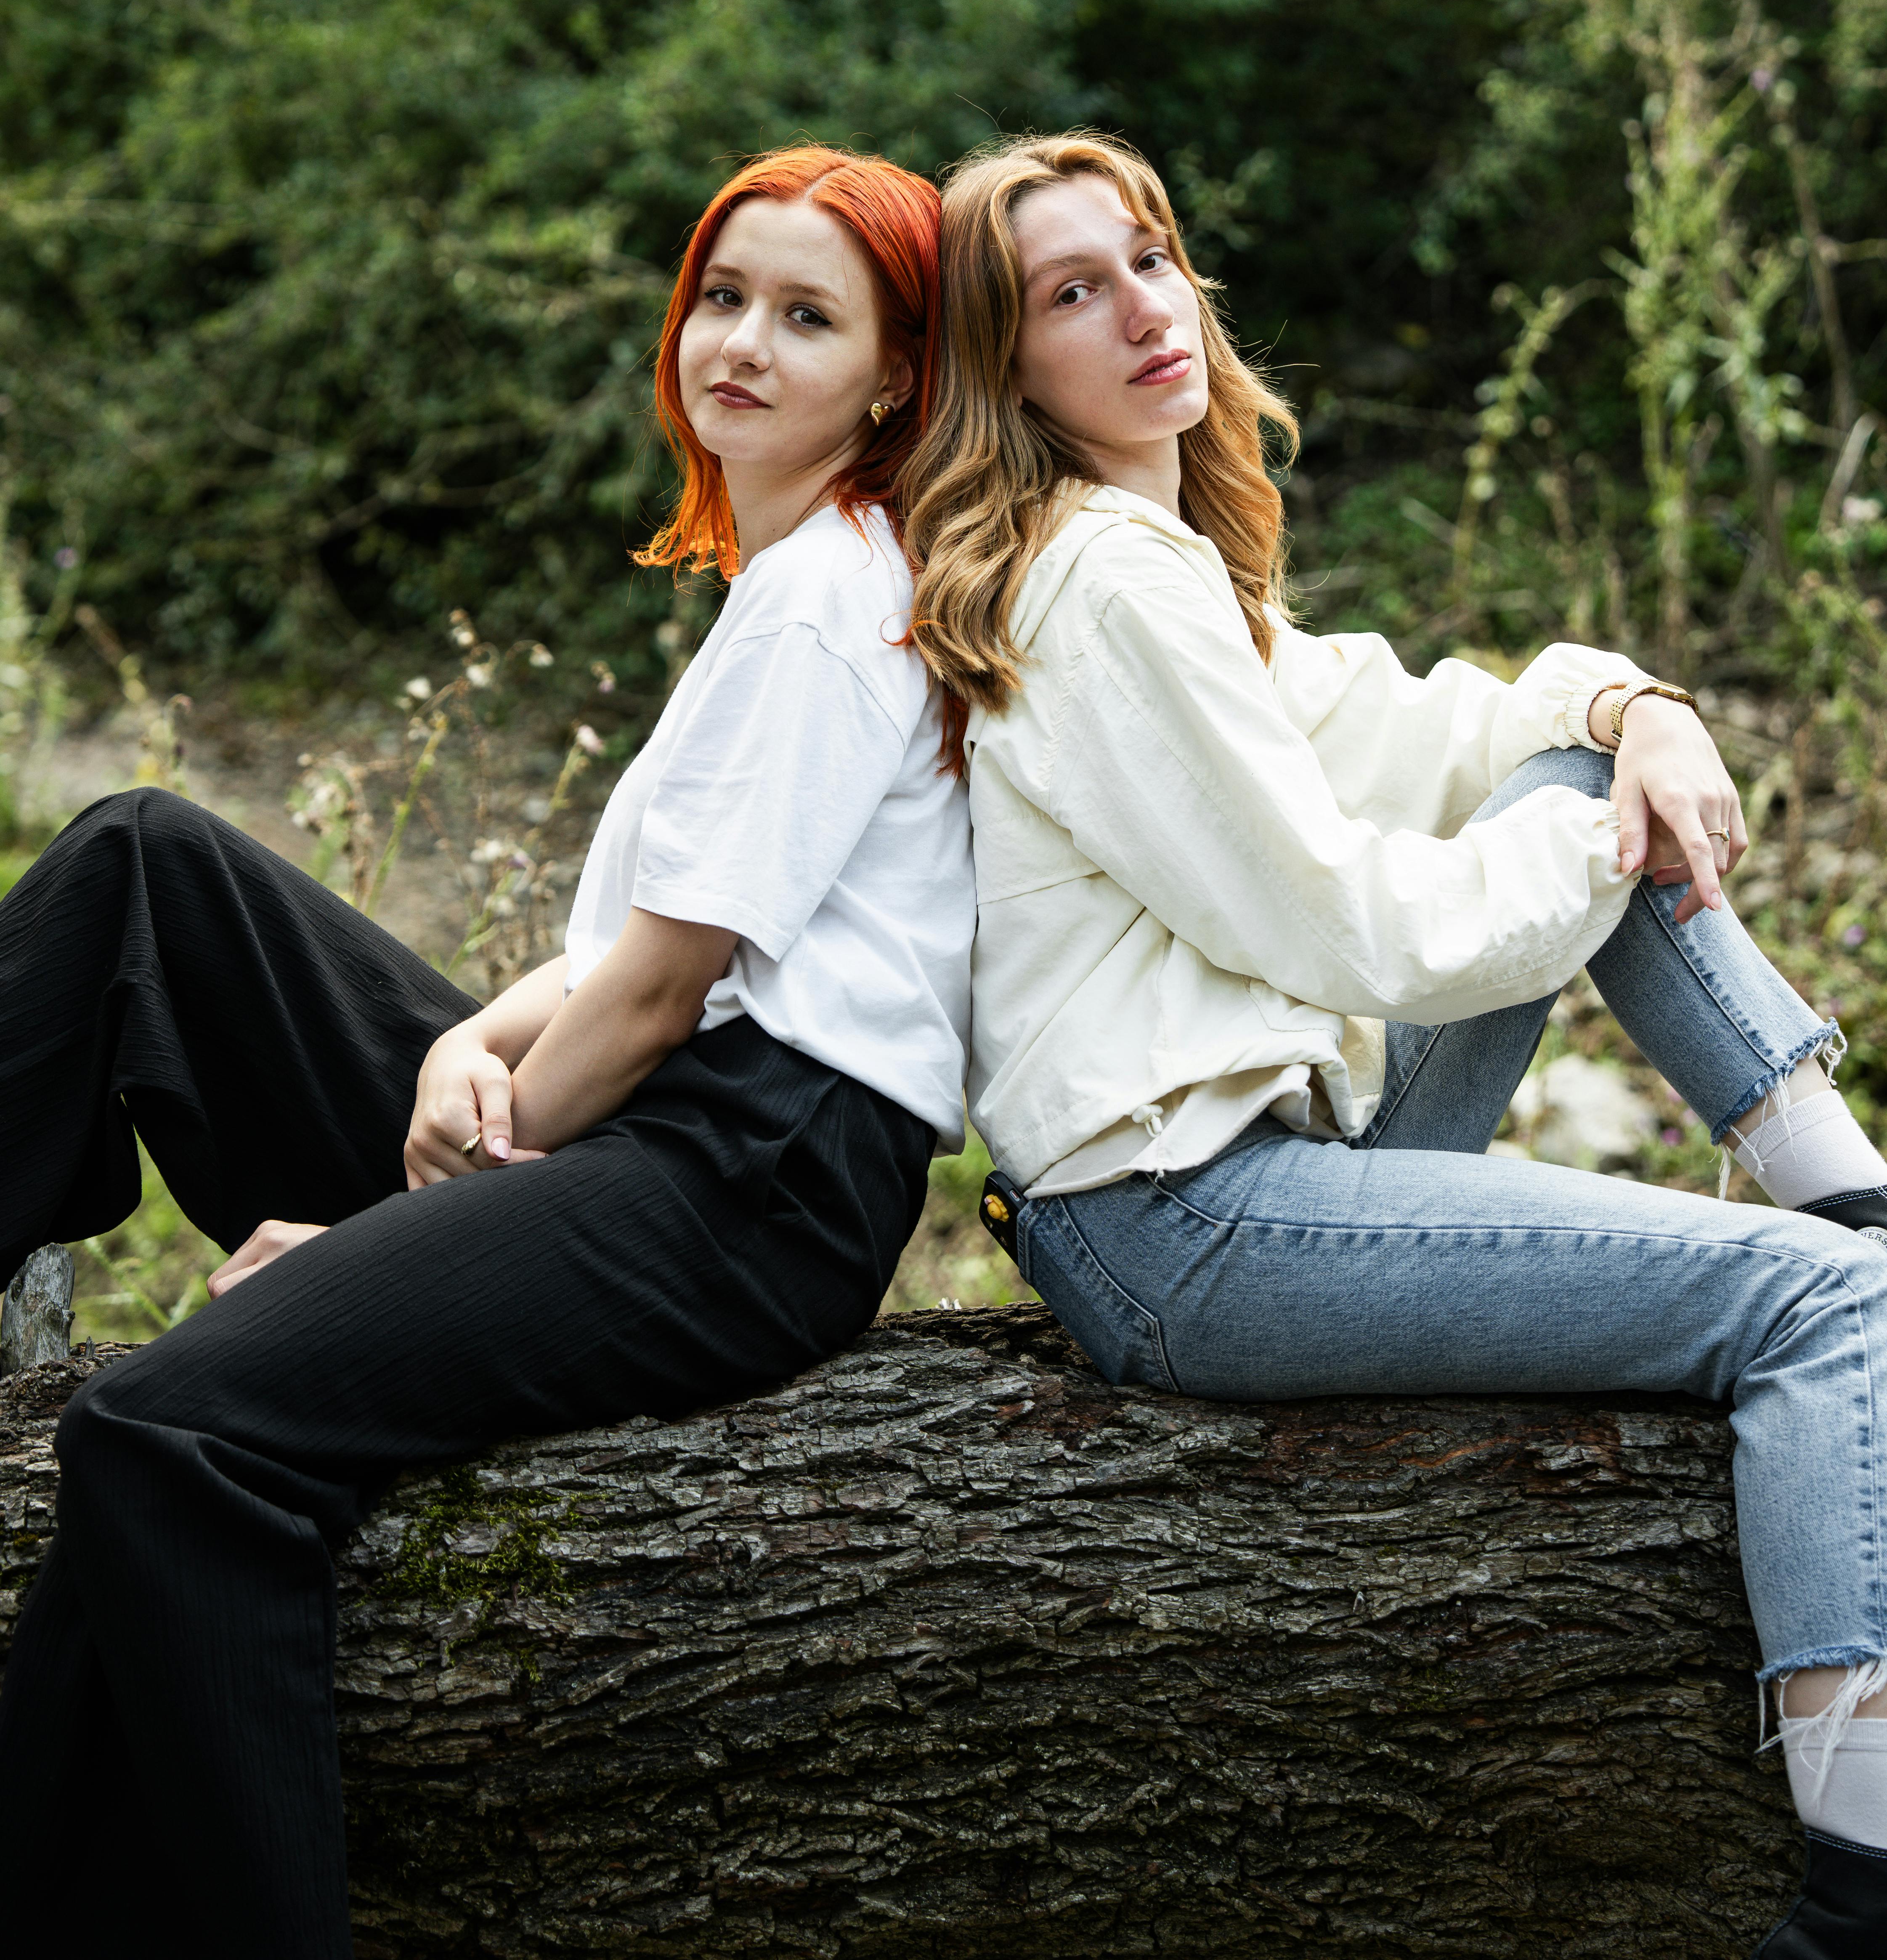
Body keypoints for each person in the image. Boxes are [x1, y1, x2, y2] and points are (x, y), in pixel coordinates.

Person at [903, 127, 1887, 1960]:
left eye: (1149, 256)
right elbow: (1350, 926)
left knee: (1578, 762)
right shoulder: (1098, 583)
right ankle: (1863, 1889)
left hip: (1261, 1168)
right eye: (1069, 290)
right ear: (1004, 364)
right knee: (1823, 1315)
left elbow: (1444, 719)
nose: (1143, 307)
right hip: (1180, 1215)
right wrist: (1594, 853)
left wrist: (1635, 708)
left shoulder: (1164, 564)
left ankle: (1847, 1181)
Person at [0, 144, 973, 1960]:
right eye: (725, 296)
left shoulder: (842, 603)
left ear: (899, 374)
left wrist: (387, 1218)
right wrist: (474, 1036)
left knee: (161, 1433)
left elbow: (669, 996)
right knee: (145, 865)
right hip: (656, 1113)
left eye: (809, 315)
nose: (740, 342)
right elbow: (632, 947)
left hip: (745, 1181)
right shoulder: (786, 586)